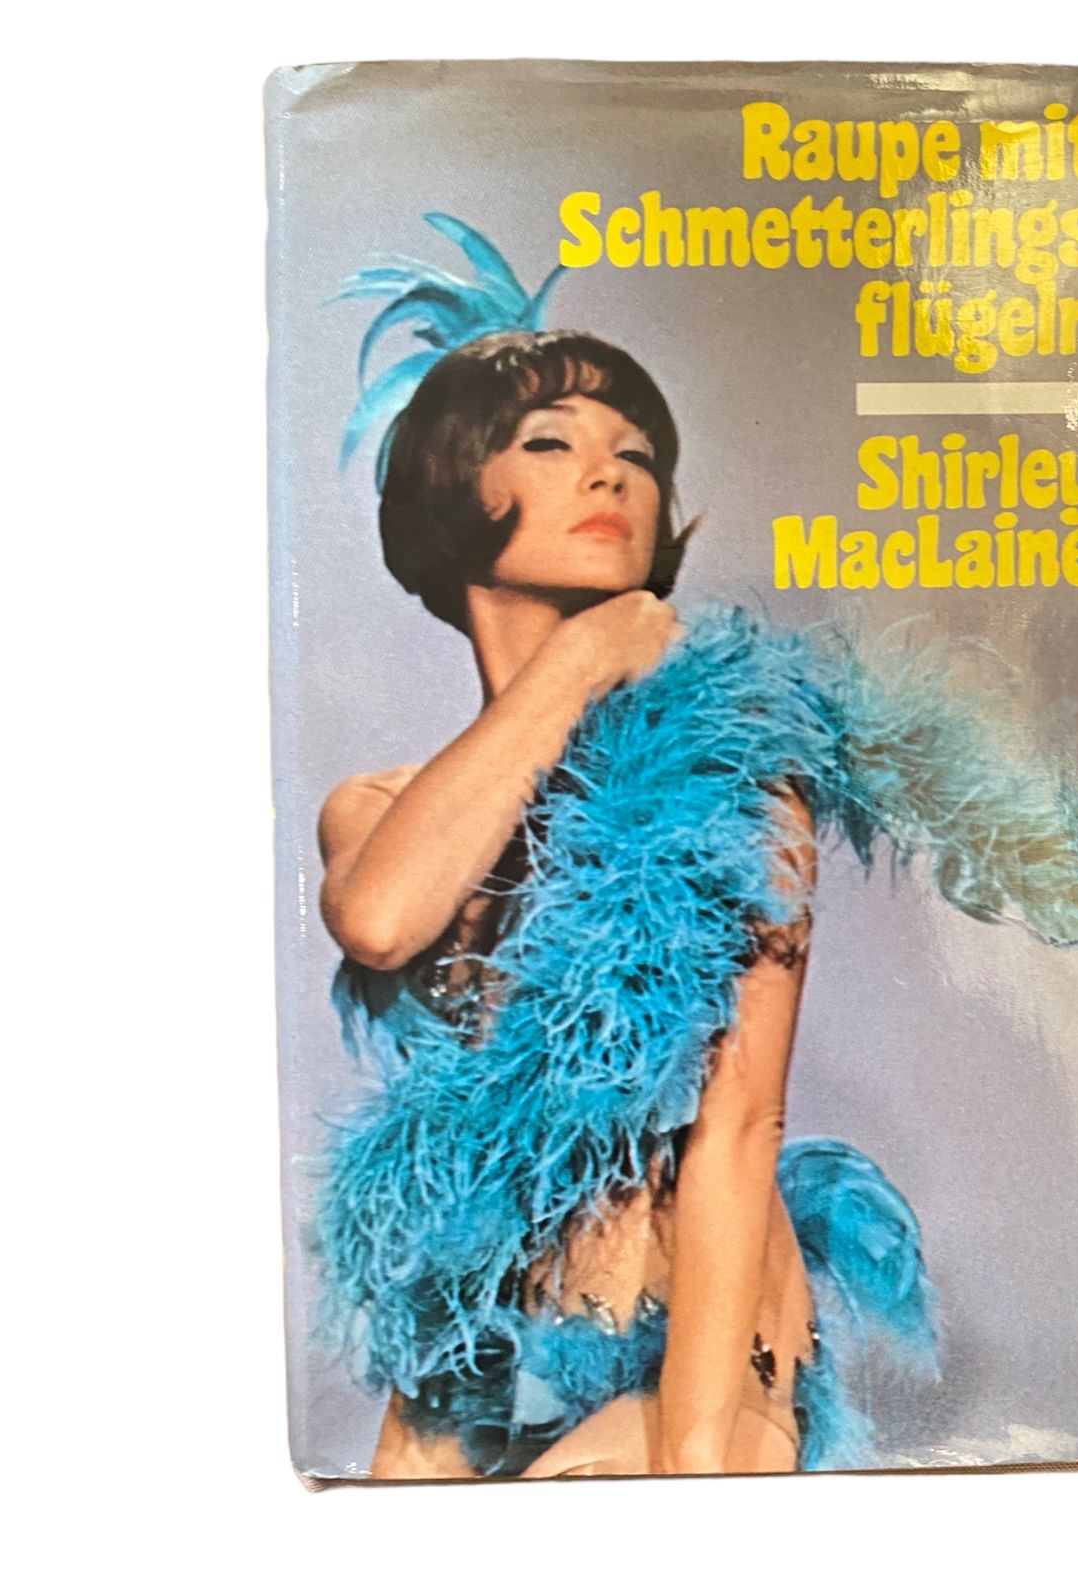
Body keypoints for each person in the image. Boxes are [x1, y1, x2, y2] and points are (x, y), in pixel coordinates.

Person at [317, 329, 835, 1477]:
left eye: (636, 455)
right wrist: (579, 659)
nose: (609, 473)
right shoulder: (378, 808)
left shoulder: (731, 782)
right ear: (454, 488)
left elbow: (738, 1126)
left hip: (691, 1339)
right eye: (550, 443)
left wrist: (695, 1461)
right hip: (475, 1346)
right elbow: (383, 920)